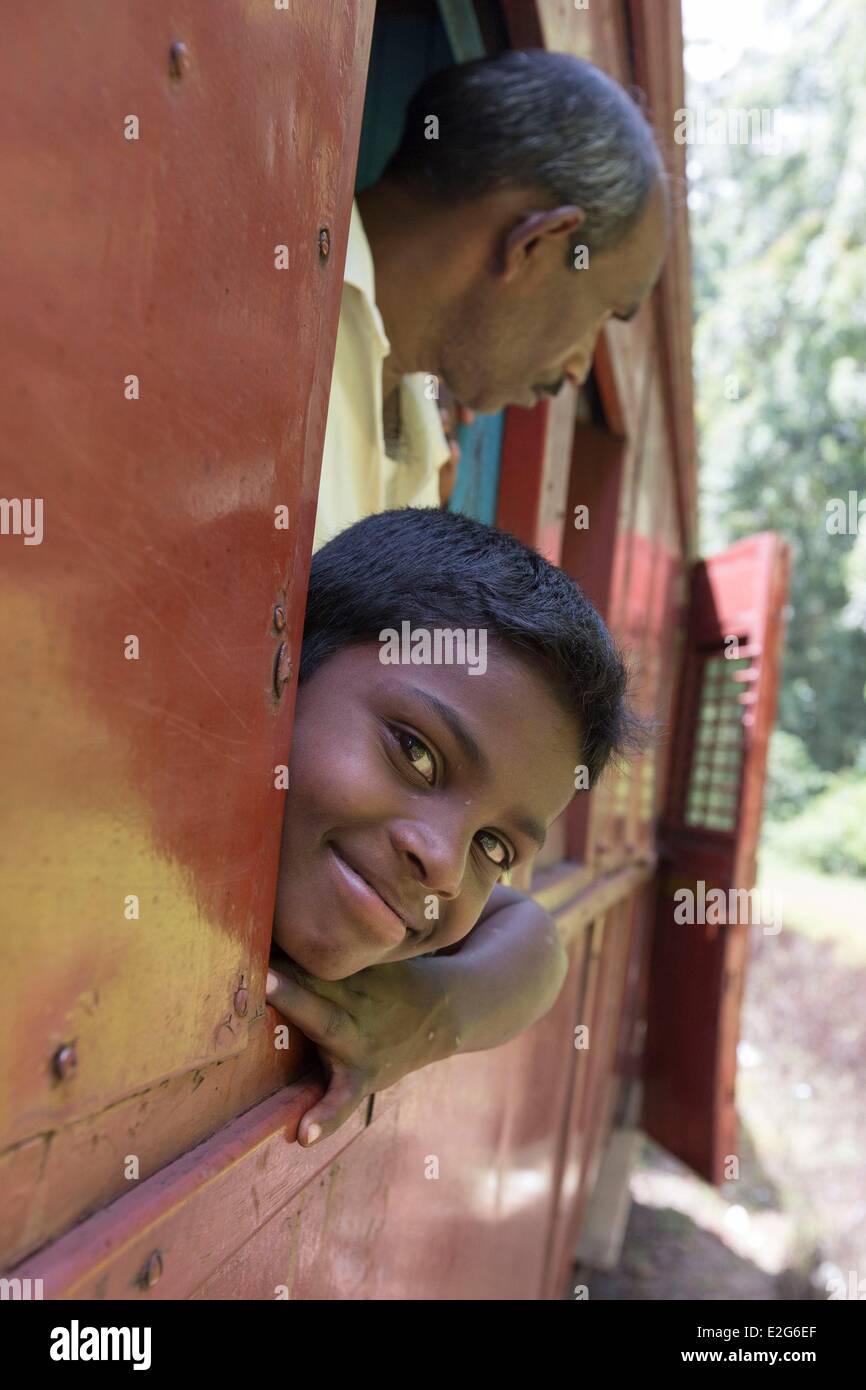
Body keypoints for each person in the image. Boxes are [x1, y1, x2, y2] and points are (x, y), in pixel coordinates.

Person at [267, 508, 646, 1145]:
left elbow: (537, 943)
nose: (444, 866)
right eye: (417, 754)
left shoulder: (375, 883)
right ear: (289, 662)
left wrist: (432, 1008)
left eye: (493, 845)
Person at [313, 48, 669, 551]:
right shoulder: (266, 295)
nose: (577, 371)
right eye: (604, 314)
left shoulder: (427, 454)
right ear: (534, 245)